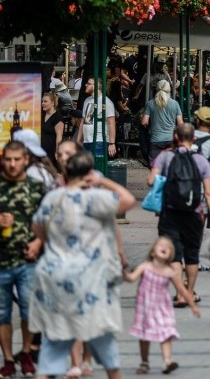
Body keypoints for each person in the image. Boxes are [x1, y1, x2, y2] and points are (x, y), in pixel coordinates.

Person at [28, 150, 135, 379]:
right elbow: (128, 200)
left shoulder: (52, 198)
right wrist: (102, 181)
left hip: (54, 278)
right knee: (107, 352)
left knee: (52, 348)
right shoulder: (96, 198)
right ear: (89, 173)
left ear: (65, 172)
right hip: (91, 283)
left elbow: (37, 229)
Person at [147, 123, 210, 308]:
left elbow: (150, 180)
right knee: (192, 255)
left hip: (169, 212)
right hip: (194, 213)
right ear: (193, 138)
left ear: (175, 137)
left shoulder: (165, 156)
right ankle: (188, 292)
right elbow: (209, 193)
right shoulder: (201, 160)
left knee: (175, 255)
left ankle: (179, 294)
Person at [0, 141, 48, 379]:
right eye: (8, 159)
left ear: (26, 160)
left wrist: (38, 242)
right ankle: (8, 359)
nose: (12, 164)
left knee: (29, 311)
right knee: (2, 313)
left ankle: (27, 353)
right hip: (1, 261)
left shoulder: (37, 188)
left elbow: (49, 221)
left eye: (17, 159)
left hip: (29, 260)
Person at [125, 236, 201, 374]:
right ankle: (144, 362)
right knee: (144, 337)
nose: (164, 247)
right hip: (145, 309)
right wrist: (123, 272)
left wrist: (193, 306)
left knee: (166, 333)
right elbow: (131, 278)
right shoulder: (145, 266)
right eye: (161, 245)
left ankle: (167, 361)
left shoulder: (169, 271)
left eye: (168, 247)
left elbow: (182, 289)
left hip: (162, 309)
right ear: (153, 252)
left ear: (170, 255)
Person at [143, 80, 184, 163]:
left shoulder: (150, 103)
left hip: (156, 140)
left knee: (155, 168)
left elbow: (144, 122)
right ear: (169, 90)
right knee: (170, 167)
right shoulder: (175, 104)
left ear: (156, 89)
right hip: (171, 140)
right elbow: (180, 123)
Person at [77, 77, 117, 158]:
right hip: (87, 141)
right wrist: (78, 141)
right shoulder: (87, 100)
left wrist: (112, 143)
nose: (86, 85)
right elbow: (84, 121)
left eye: (88, 83)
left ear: (95, 86)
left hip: (99, 141)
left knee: (97, 166)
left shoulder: (106, 102)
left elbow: (111, 123)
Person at [41, 93, 63, 167]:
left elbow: (59, 135)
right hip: (41, 149)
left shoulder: (57, 117)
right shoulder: (42, 115)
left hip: (51, 150)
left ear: (52, 103)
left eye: (45, 101)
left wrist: (57, 151)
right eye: (42, 101)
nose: (43, 103)